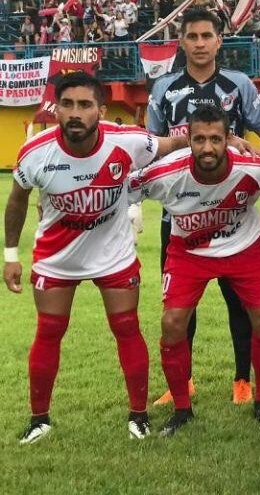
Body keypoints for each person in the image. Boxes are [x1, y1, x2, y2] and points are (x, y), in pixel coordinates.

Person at [3, 73, 188, 444]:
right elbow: (17, 201)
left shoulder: (130, 141)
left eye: (85, 105)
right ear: (56, 109)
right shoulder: (35, 151)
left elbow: (175, 142)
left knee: (127, 329)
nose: (75, 113)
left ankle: (139, 414)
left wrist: (227, 139)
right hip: (57, 257)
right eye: (67, 104)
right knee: (49, 333)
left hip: (113, 256)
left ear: (101, 110)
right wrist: (11, 255)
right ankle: (39, 419)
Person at [128, 105, 260, 437]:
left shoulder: (253, 167)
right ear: (189, 140)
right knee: (172, 323)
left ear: (229, 139)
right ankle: (182, 409)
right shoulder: (166, 172)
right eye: (200, 139)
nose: (208, 148)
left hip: (245, 248)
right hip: (190, 252)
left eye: (216, 139)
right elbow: (120, 186)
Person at [147, 8, 260, 406]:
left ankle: (242, 379)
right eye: (192, 36)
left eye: (207, 36)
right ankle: (181, 383)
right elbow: (151, 148)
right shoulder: (164, 88)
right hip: (181, 216)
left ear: (220, 40)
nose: (200, 44)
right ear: (181, 42)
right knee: (182, 306)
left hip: (233, 214)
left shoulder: (238, 84)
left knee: (240, 302)